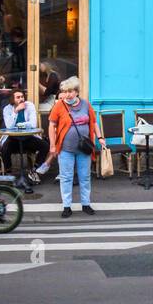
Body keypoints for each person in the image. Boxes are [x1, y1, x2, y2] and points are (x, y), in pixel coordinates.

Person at [47, 76, 104, 217]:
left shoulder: (86, 105)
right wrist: (52, 145)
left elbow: (94, 122)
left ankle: (86, 204)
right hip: (65, 149)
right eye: (65, 92)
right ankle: (67, 206)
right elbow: (52, 125)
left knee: (85, 177)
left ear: (77, 92)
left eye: (70, 91)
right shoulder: (59, 105)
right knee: (66, 177)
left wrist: (100, 137)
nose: (67, 94)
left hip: (84, 148)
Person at [0, 88, 52, 187]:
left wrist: (19, 125)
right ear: (12, 99)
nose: (21, 99)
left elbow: (33, 124)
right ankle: (8, 172)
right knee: (5, 148)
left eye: (22, 97)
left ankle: (34, 170)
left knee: (44, 146)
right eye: (18, 97)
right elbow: (9, 126)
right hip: (13, 138)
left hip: (28, 137)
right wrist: (16, 111)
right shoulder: (7, 109)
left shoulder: (30, 106)